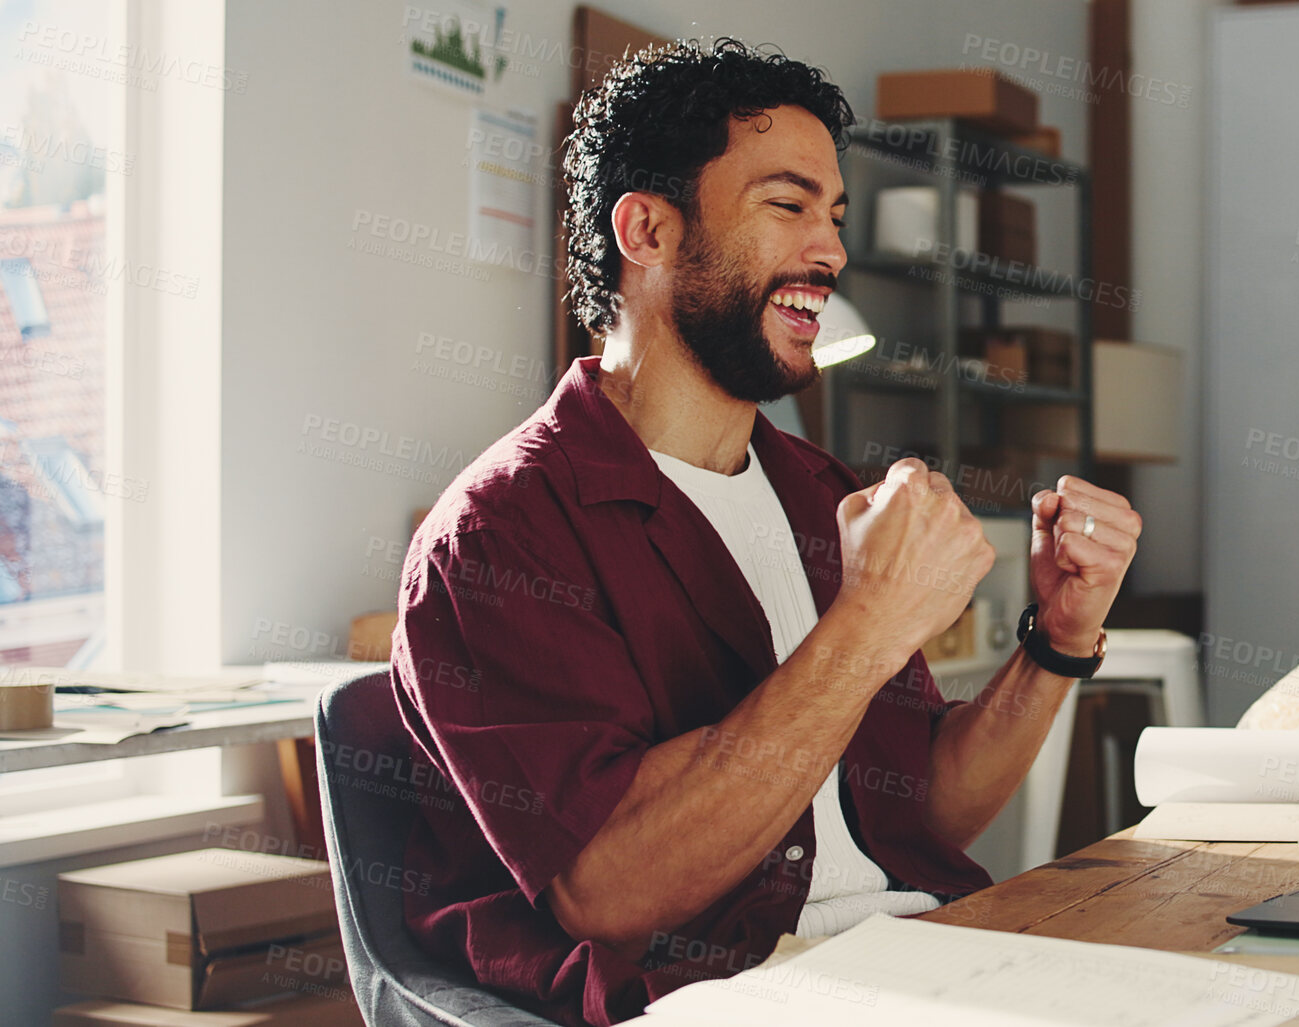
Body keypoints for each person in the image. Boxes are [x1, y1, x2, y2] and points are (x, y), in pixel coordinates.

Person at [388, 38, 1142, 1026]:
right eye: (788, 206)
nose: (830, 252)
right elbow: (607, 890)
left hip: (916, 956)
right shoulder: (500, 532)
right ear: (648, 230)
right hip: (717, 996)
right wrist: (868, 625)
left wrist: (1059, 637)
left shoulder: (822, 493)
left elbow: (917, 813)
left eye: (835, 216)